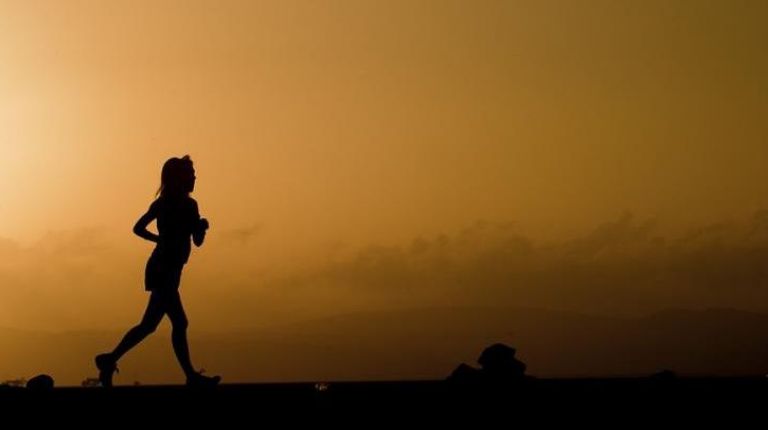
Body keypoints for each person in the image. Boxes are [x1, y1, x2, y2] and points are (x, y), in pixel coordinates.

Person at [94, 155, 220, 387]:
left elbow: (197, 240)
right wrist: (162, 240)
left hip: (170, 269)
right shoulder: (165, 204)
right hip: (163, 269)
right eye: (190, 174)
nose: (194, 178)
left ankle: (109, 359)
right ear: (178, 178)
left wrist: (201, 228)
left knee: (149, 325)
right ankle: (191, 376)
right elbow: (138, 228)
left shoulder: (190, 205)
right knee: (179, 323)